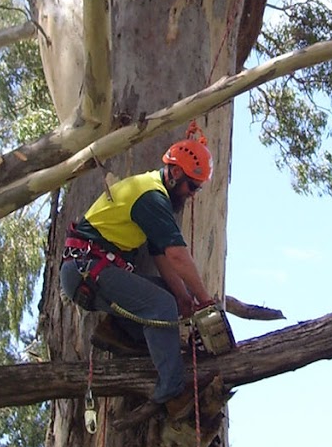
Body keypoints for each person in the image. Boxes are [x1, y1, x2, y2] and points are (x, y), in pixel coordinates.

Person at [60, 128, 218, 419]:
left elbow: (160, 254)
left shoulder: (153, 195)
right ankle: (173, 392)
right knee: (161, 306)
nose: (193, 195)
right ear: (173, 174)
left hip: (96, 268)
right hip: (87, 270)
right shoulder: (151, 197)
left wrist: (185, 297)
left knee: (171, 297)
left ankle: (119, 332)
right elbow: (176, 255)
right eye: (192, 187)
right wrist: (205, 301)